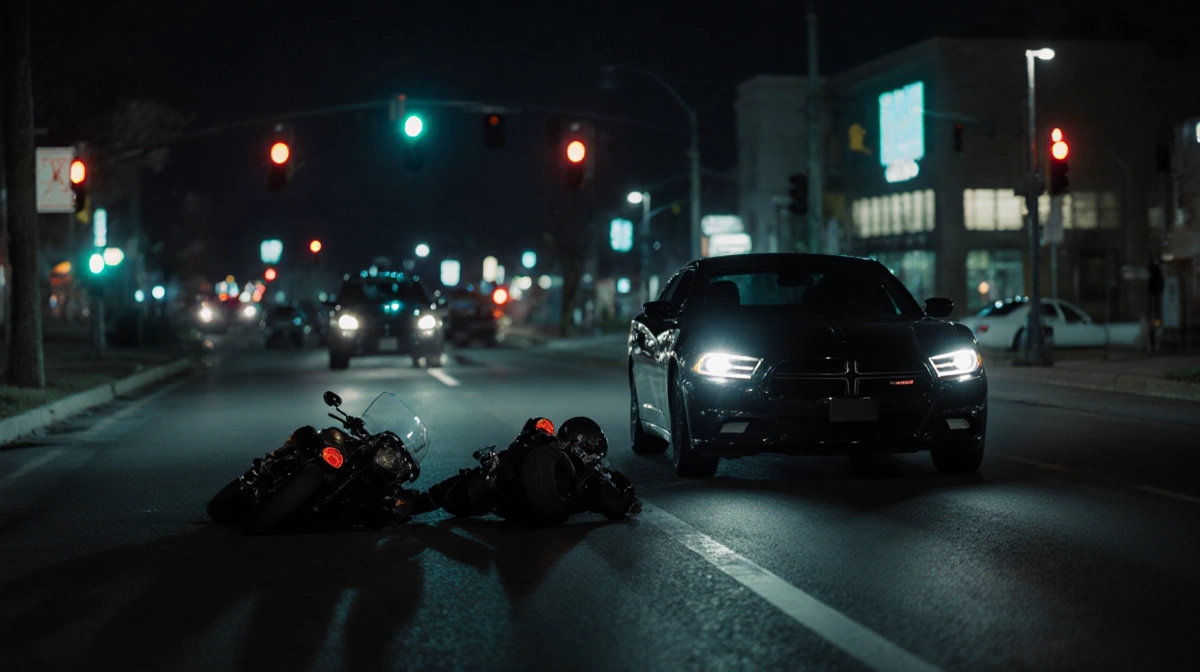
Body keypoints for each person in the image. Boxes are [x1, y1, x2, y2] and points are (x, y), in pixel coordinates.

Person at [413, 417, 640, 525]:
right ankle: (414, 503)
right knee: (484, 475)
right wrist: (623, 482)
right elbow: (618, 506)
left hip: (507, 499)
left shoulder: (586, 474)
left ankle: (415, 503)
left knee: (480, 477)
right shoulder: (591, 475)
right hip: (516, 507)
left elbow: (617, 506)